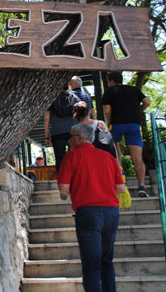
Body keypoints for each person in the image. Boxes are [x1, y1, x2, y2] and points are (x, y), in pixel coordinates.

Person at [57, 123, 125, 292]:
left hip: (87, 211)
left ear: (79, 138)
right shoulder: (108, 157)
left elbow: (63, 188)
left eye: (71, 137)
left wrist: (80, 189)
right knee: (106, 261)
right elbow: (120, 188)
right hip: (111, 212)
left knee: (91, 265)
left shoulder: (71, 156)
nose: (68, 140)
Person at [102, 71, 151, 197]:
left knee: (114, 144)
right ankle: (141, 186)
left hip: (117, 124)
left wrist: (110, 122)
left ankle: (120, 171)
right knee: (138, 158)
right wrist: (139, 110)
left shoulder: (109, 91)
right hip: (134, 125)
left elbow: (107, 110)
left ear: (111, 81)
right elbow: (147, 102)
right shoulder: (134, 89)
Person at [44, 88, 79, 171]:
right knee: (75, 155)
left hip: (57, 131)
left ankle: (62, 176)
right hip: (73, 130)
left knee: (59, 157)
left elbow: (46, 119)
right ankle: (75, 175)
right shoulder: (75, 97)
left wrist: (47, 136)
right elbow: (80, 114)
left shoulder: (51, 98)